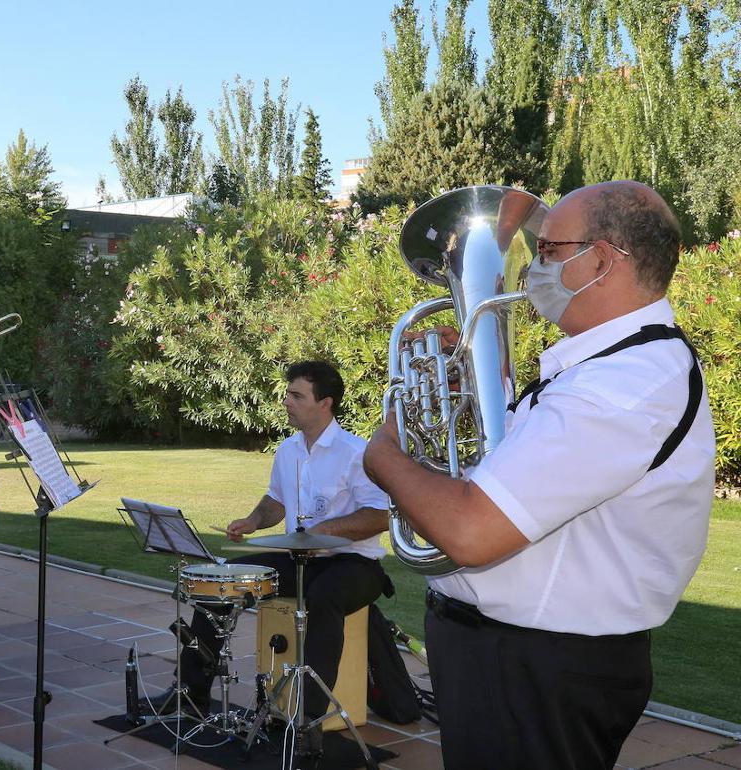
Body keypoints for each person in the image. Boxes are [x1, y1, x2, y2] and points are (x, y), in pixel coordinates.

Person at [363, 181, 716, 770]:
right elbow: (510, 475)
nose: (530, 271)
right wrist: (472, 392)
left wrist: (385, 458)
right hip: (515, 662)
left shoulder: (622, 386)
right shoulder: (601, 370)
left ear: (601, 260)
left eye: (548, 252)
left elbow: (473, 531)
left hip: (536, 672)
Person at [150, 360, 391, 722]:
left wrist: (324, 531)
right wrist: (253, 520)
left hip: (354, 564)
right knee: (221, 579)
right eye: (288, 394)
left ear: (324, 403)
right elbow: (276, 501)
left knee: (325, 599)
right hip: (299, 559)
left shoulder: (357, 453)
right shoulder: (288, 450)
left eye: (296, 395)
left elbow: (379, 515)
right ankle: (191, 691)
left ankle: (307, 717)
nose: (286, 401)